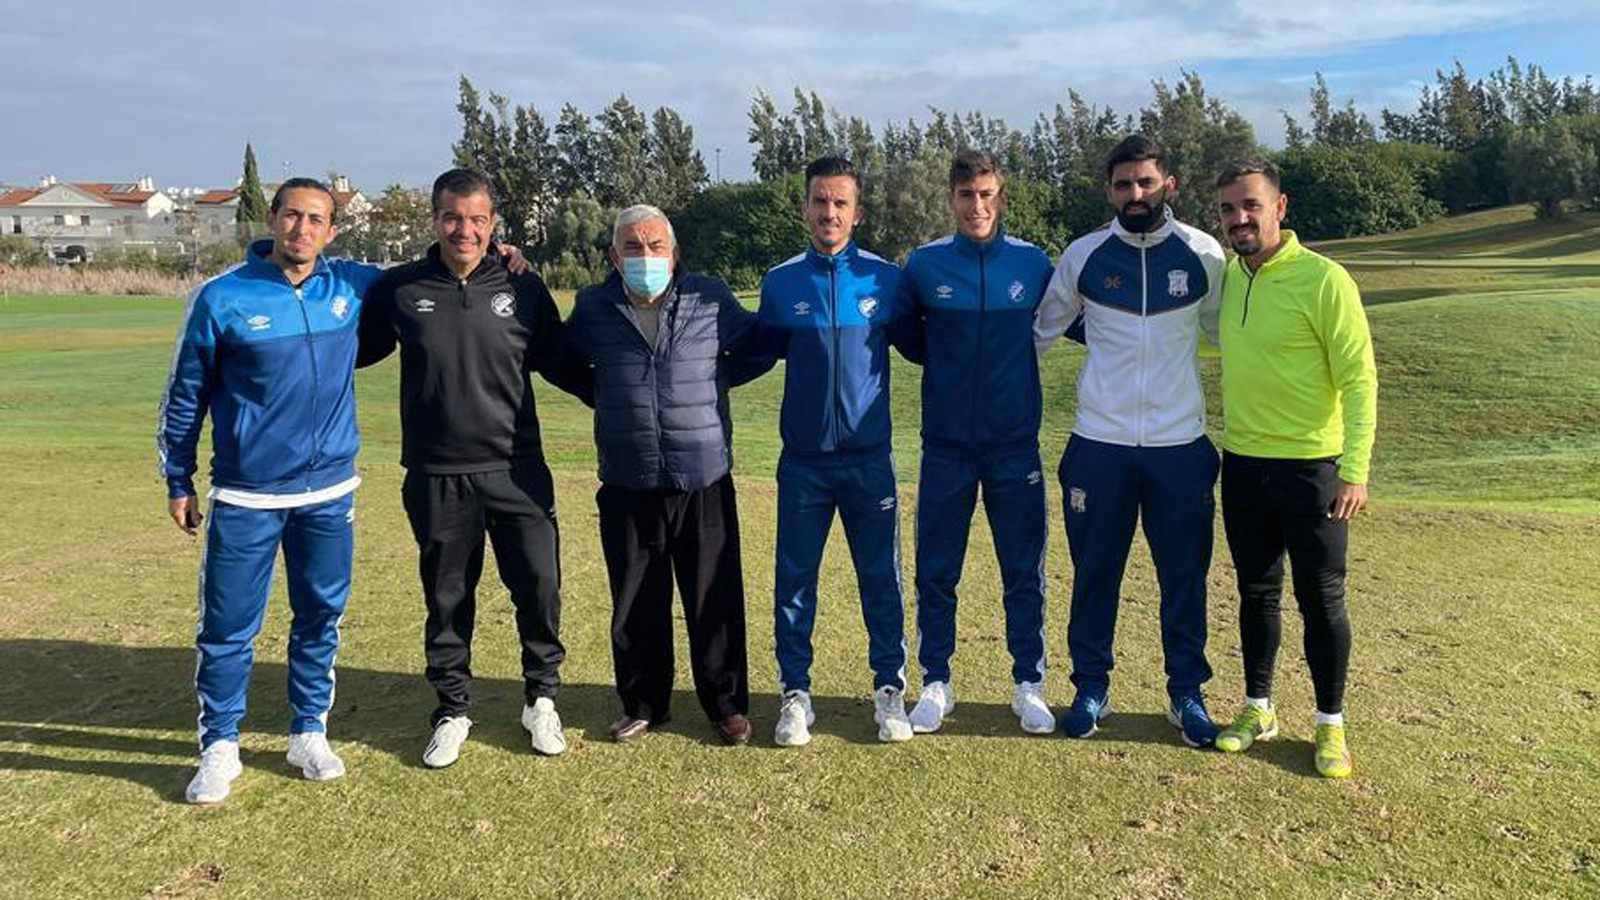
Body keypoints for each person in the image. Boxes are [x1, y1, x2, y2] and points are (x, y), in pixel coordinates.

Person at [159, 178, 382, 804]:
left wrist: (506, 256)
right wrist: (178, 479)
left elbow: (435, 271)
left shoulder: (352, 286)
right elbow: (185, 395)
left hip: (329, 490)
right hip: (248, 494)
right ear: (272, 219)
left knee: (319, 617)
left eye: (316, 219)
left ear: (332, 230)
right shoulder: (222, 297)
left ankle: (308, 731)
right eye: (292, 216)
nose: (302, 229)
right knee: (229, 628)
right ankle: (220, 746)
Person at [357, 168, 588, 768]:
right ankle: (453, 709)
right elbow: (348, 351)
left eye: (477, 218)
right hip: (436, 473)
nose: (466, 229)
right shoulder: (402, 288)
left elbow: (559, 362)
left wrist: (626, 398)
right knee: (448, 597)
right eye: (453, 217)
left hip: (517, 469)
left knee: (539, 588)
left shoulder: (523, 286)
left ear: (493, 225)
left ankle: (540, 699)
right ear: (435, 220)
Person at [1034, 135, 1227, 748]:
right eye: (1124, 184)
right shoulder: (1084, 255)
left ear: (1168, 183)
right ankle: (1091, 687)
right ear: (1109, 191)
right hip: (1099, 444)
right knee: (1095, 573)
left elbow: (1235, 337)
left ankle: (1185, 693)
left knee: (1184, 577)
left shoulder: (1204, 253)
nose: (1135, 194)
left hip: (1180, 446)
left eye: (1146, 182)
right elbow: (1039, 334)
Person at [561, 204, 770, 746]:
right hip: (629, 478)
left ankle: (726, 705)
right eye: (633, 247)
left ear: (674, 254)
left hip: (702, 474)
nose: (645, 255)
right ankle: (643, 702)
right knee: (635, 600)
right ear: (614, 255)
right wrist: (607, 399)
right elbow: (562, 360)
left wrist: (715, 381)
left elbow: (759, 348)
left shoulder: (710, 298)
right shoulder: (593, 307)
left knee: (713, 598)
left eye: (656, 246)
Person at [1211, 158, 1376, 778]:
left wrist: (1354, 470)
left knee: (1321, 598)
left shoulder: (1325, 280)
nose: (1239, 218)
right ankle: (1259, 707)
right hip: (1244, 462)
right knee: (1255, 593)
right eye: (1229, 208)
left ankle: (1330, 725)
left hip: (1313, 468)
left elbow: (1359, 379)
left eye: (1251, 205)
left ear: (1280, 208)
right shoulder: (1229, 279)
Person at [755, 156, 920, 746]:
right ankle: (795, 694)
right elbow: (753, 353)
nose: (830, 212)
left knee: (881, 579)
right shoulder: (781, 282)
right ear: (805, 208)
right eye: (820, 202)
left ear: (857, 211)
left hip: (869, 460)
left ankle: (889, 691)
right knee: (794, 580)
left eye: (840, 203)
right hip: (803, 463)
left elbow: (926, 346)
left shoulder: (887, 280)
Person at [894, 150, 1055, 735]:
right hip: (946, 446)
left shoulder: (1034, 263)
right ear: (952, 199)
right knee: (937, 570)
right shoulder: (925, 265)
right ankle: (936, 680)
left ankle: (1028, 682)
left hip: (1016, 446)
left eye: (987, 194)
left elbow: (1067, 323)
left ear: (1001, 197)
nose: (978, 205)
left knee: (1023, 570)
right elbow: (908, 337)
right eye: (967, 195)